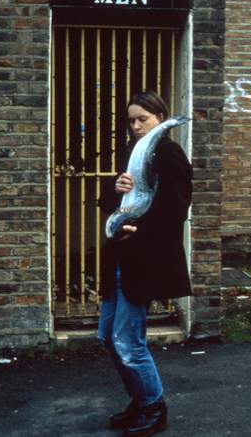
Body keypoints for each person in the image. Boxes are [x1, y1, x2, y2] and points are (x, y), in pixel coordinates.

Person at [98, 90, 192, 437]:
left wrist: (139, 230)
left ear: (159, 118)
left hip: (145, 259)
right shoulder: (134, 152)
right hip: (121, 256)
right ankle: (140, 401)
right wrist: (114, 187)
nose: (136, 126)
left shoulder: (168, 153)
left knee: (127, 340)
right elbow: (109, 203)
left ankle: (154, 406)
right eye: (132, 120)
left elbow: (176, 210)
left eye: (143, 119)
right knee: (108, 335)